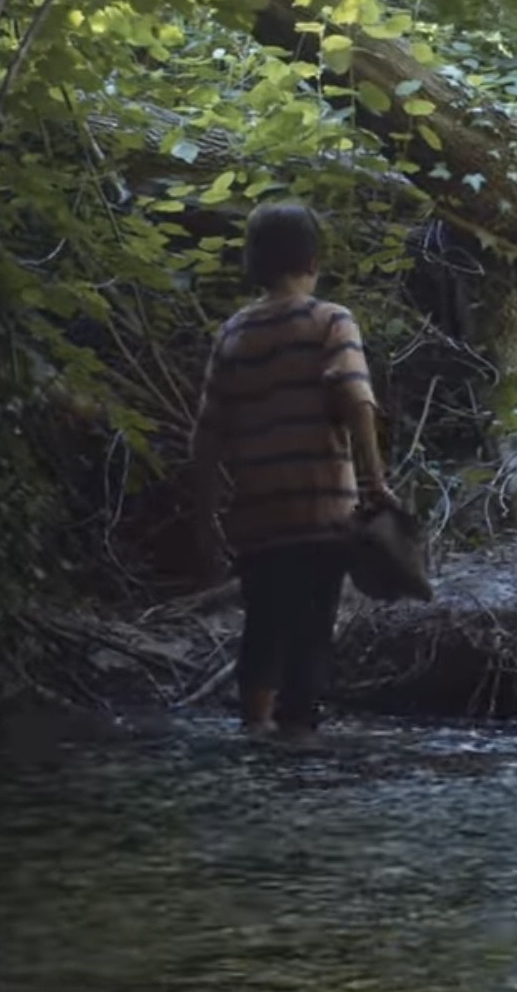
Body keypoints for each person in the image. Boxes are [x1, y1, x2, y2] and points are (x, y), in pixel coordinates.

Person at [184, 201, 392, 737]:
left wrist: (205, 521)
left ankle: (254, 729)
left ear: (253, 264)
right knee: (311, 631)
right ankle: (299, 741)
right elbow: (355, 397)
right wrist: (375, 481)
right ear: (313, 260)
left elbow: (206, 438)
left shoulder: (233, 333)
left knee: (263, 626)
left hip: (257, 518)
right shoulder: (331, 320)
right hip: (322, 511)